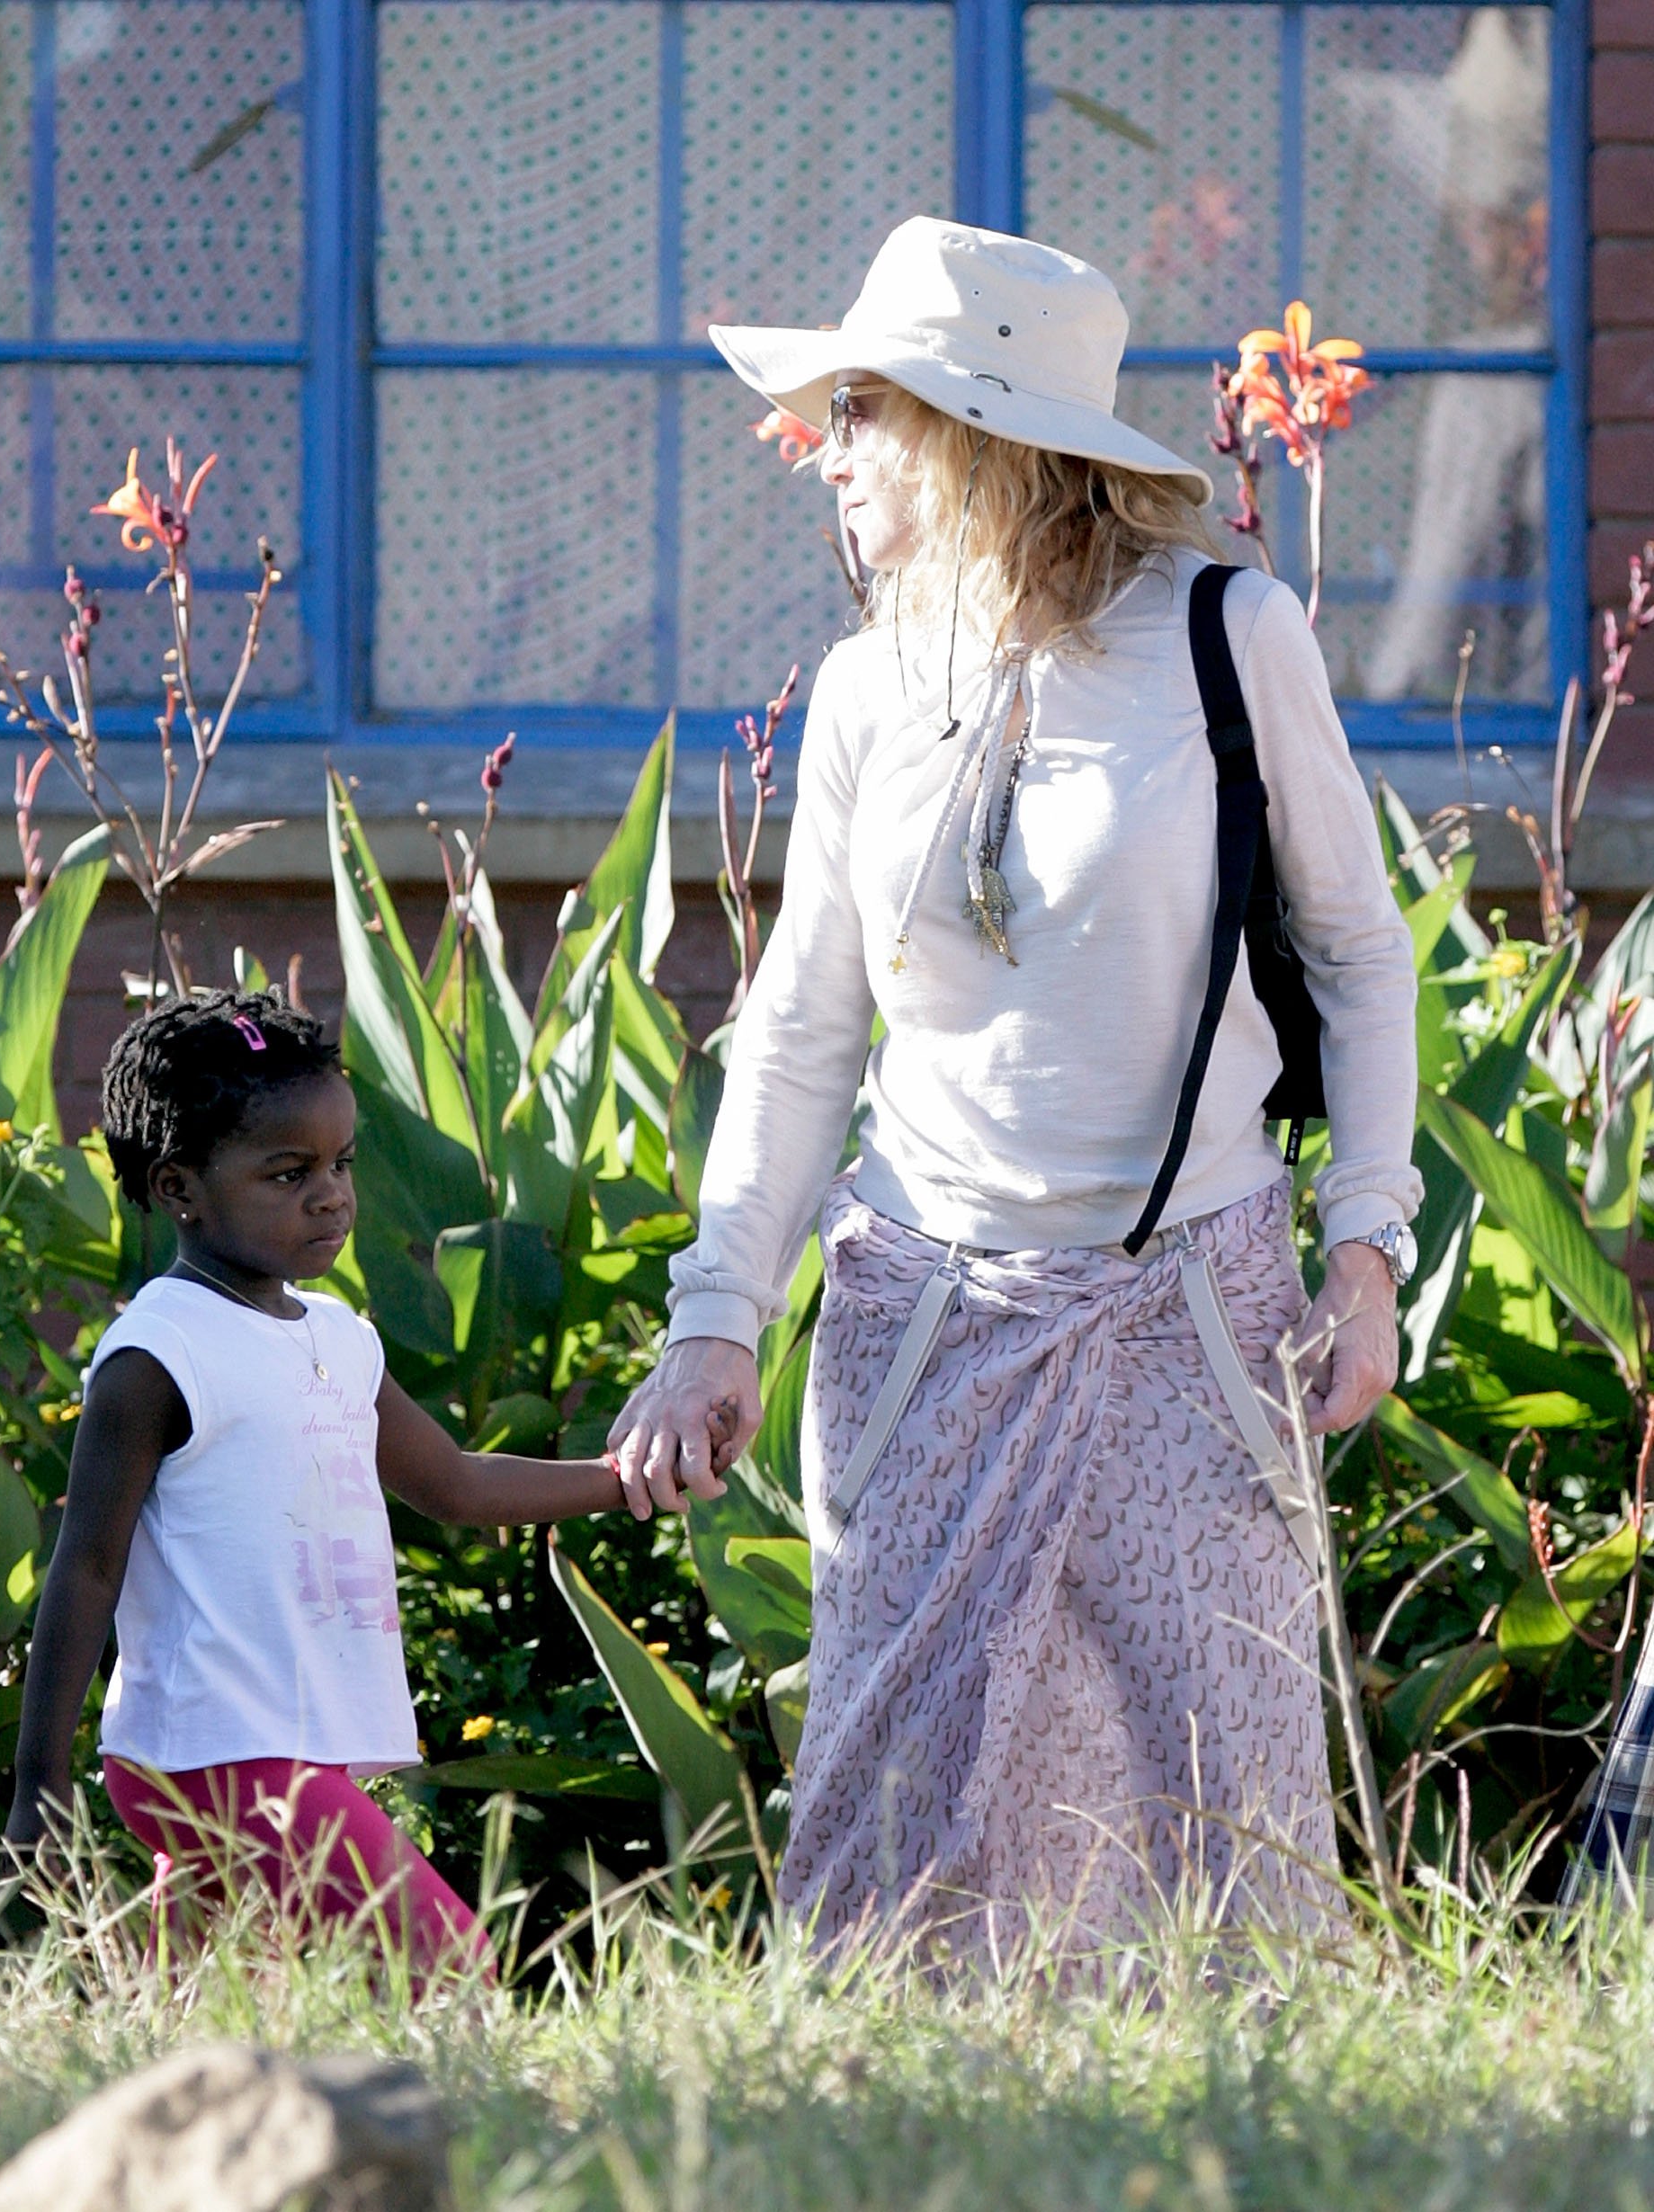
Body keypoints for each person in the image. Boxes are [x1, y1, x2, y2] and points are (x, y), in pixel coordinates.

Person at [607, 218, 1422, 1951]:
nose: (829, 457)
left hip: (1190, 1306)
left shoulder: (1225, 635)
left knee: (1228, 1816)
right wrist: (717, 1314)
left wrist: (1365, 1253)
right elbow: (805, 1031)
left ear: (981, 439)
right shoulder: (856, 693)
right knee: (896, 1827)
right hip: (917, 1322)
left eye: (865, 417)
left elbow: (1359, 957)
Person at [4, 989, 661, 1978]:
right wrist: (38, 1780)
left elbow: (455, 1484)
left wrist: (628, 1480)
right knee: (451, 1968)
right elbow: (85, 1568)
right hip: (218, 1754)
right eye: (288, 1172)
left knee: (210, 2015)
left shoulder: (339, 1339)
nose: (332, 1195)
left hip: (284, 1751)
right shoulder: (158, 1355)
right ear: (180, 1185)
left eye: (342, 1164)